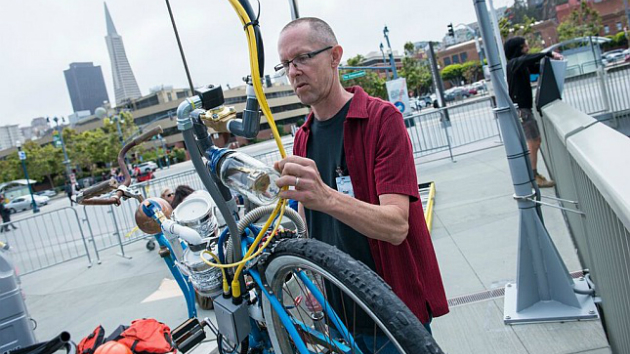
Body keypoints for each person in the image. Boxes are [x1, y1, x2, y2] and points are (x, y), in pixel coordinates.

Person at [273, 17, 449, 339]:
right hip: (340, 317)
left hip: (393, 315)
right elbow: (307, 226)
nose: (293, 72)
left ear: (335, 56)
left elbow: (396, 226)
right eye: (285, 64)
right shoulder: (303, 139)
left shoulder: (382, 120)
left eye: (302, 58)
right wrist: (314, 282)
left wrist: (326, 196)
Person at [504, 36, 563, 188]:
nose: (527, 49)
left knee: (535, 142)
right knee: (533, 142)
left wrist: (550, 61)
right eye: (525, 47)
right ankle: (533, 176)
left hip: (524, 110)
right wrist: (548, 54)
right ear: (518, 49)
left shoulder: (520, 65)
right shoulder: (513, 64)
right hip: (522, 111)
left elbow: (534, 65)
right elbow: (528, 59)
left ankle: (533, 174)